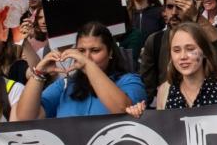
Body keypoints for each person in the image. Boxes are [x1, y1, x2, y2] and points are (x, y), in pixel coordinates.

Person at [15, 21, 146, 120]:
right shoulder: (65, 85)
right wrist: (38, 73)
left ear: (110, 52)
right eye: (81, 51)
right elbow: (25, 118)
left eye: (95, 50)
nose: (86, 56)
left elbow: (122, 108)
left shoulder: (129, 81)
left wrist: (88, 65)